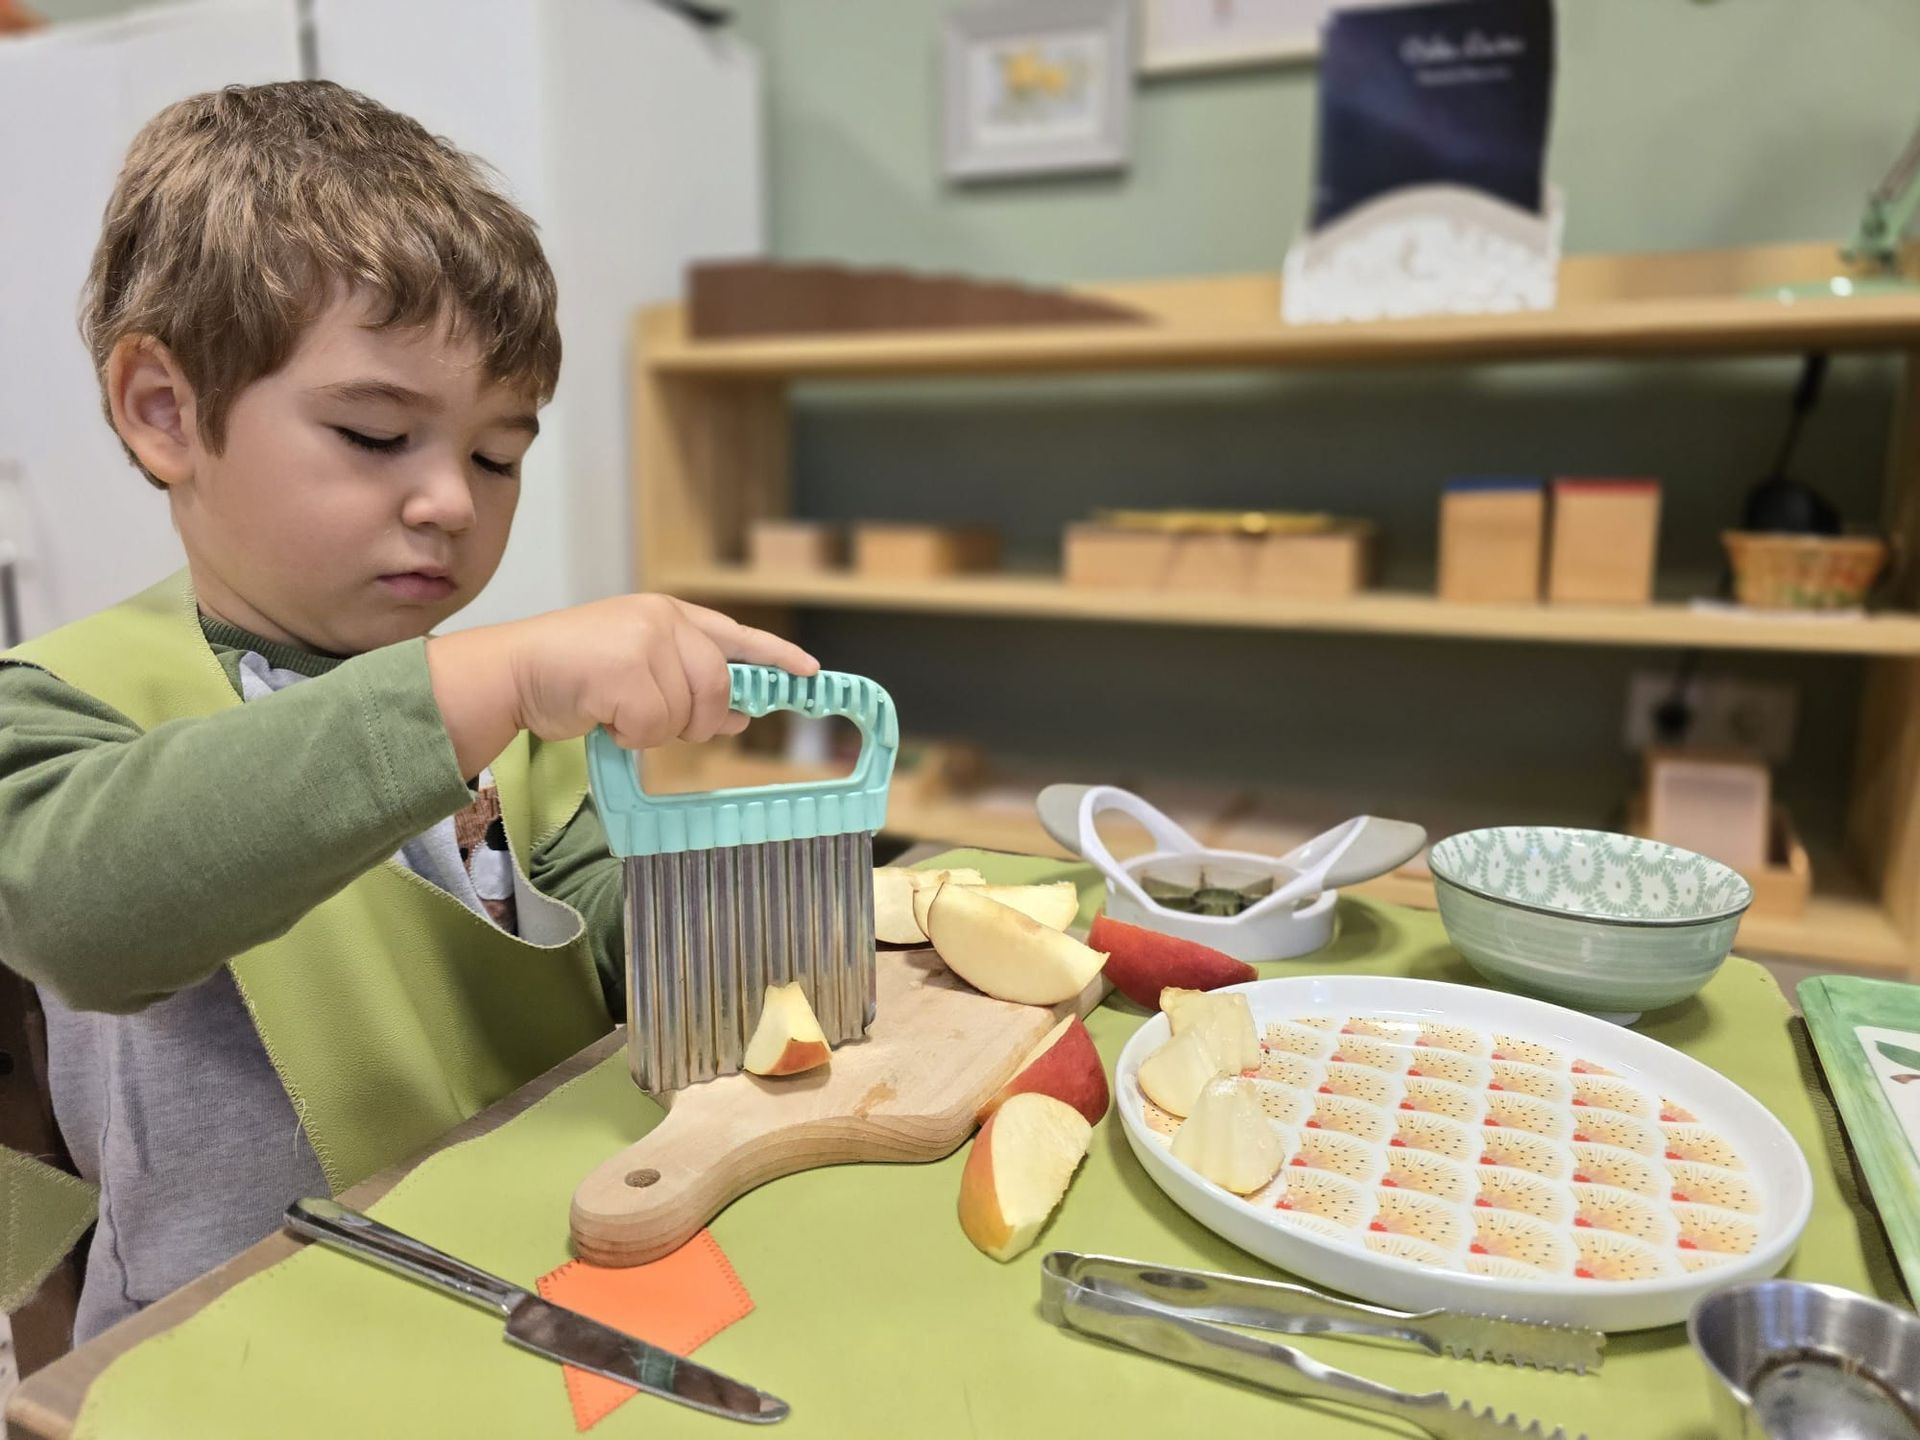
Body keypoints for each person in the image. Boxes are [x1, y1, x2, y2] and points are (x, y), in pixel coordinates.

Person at [0, 79, 814, 1342]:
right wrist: (484, 681)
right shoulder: (56, 704)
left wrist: (749, 899)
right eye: (378, 435)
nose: (452, 500)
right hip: (230, 1348)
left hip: (526, 1289)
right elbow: (86, 908)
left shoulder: (527, 733)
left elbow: (613, 957)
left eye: (497, 455)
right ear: (165, 412)